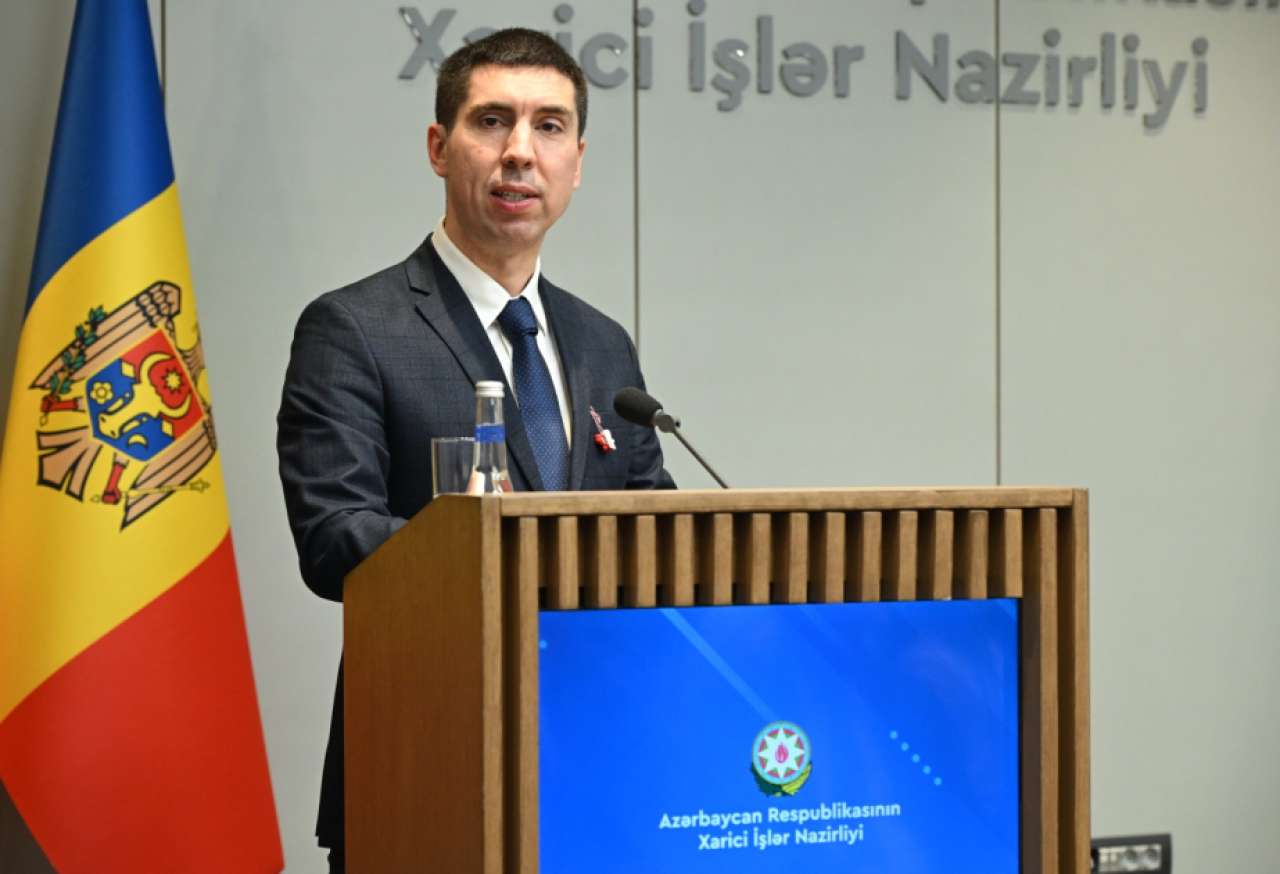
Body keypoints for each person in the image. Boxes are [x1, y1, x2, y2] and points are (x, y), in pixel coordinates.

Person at [276, 28, 673, 873]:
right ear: (438, 147)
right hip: (424, 768)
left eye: (549, 126)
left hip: (602, 772)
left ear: (577, 161)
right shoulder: (355, 329)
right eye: (492, 121)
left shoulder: (603, 344)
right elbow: (334, 538)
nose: (520, 151)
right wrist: (499, 554)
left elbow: (656, 529)